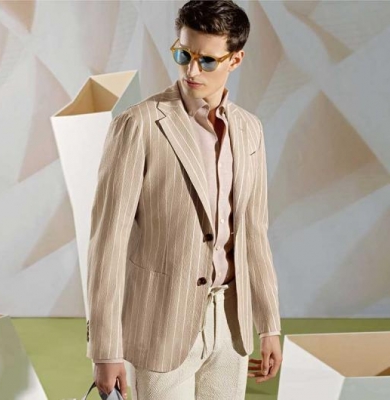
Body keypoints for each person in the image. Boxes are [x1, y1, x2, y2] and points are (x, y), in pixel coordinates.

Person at [86, 1, 282, 399]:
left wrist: (269, 326)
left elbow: (254, 233)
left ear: (235, 59)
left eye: (207, 61)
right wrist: (105, 350)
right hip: (160, 326)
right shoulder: (138, 125)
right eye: (183, 55)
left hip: (231, 326)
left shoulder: (250, 130)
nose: (192, 71)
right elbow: (108, 242)